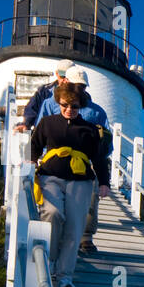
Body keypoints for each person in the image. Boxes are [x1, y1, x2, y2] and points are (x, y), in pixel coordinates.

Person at [28, 82, 110, 287]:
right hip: (50, 176)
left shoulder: (90, 129)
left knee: (74, 227)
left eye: (74, 106)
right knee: (52, 214)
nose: (69, 110)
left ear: (80, 106)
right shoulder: (47, 123)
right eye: (64, 105)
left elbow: (99, 158)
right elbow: (35, 145)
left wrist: (104, 183)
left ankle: (65, 276)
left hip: (81, 181)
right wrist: (30, 162)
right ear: (58, 102)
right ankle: (49, 263)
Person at [37, 67, 110, 253]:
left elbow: (104, 143)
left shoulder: (97, 112)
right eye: (74, 84)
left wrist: (102, 176)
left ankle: (85, 238)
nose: (78, 88)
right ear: (64, 82)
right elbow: (41, 130)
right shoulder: (50, 103)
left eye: (82, 86)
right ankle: (53, 248)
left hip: (83, 166)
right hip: (55, 165)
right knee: (54, 206)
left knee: (90, 202)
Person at [15, 63, 70, 132]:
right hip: (43, 133)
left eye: (67, 77)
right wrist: (26, 124)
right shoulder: (45, 90)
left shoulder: (81, 95)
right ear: (57, 74)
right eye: (62, 76)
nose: (64, 80)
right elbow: (32, 108)